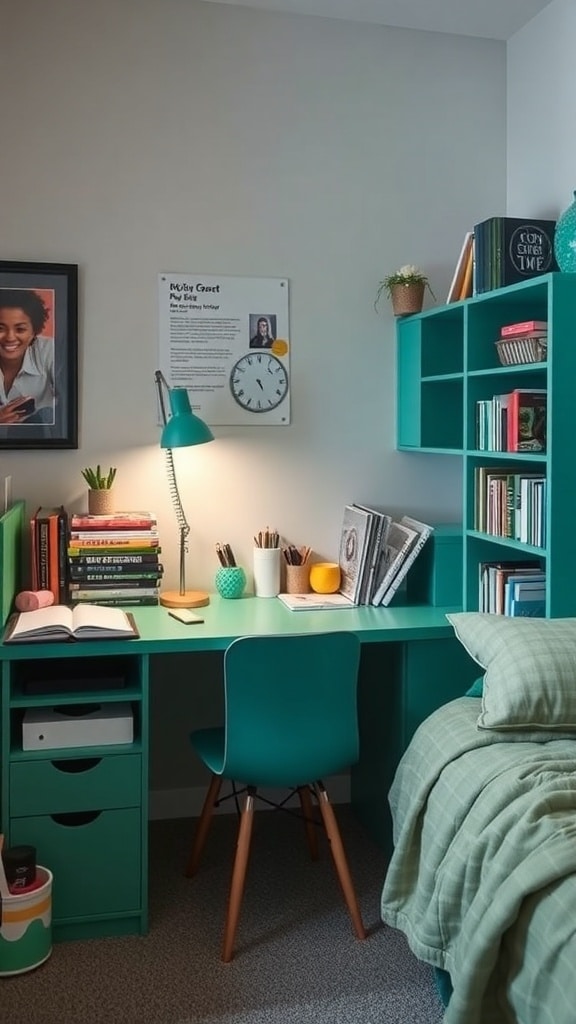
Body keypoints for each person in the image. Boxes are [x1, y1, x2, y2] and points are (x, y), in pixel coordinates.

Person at [0, 289, 55, 425]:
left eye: (20, 329)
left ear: (34, 332)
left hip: (41, 440)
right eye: (0, 328)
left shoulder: (49, 350)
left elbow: (71, 405)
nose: (10, 337)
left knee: (46, 413)